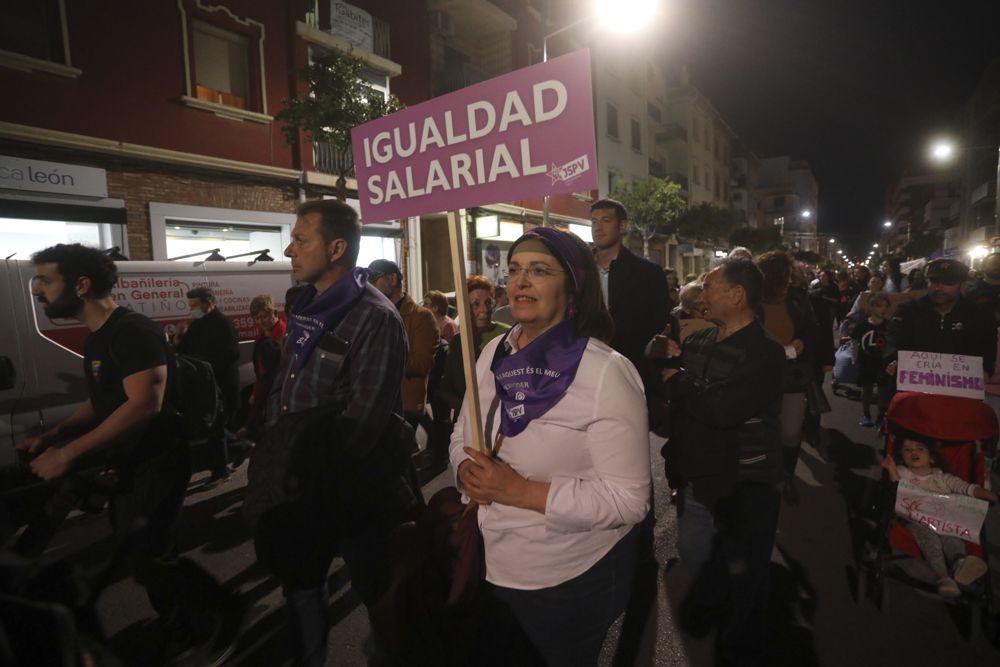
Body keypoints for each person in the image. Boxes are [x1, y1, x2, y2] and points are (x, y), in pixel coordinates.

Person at [17, 243, 241, 664]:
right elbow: (106, 400)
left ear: (81, 285)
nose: (36, 291)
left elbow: (143, 403)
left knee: (148, 555)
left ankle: (215, 615)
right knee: (142, 552)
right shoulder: (100, 336)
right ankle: (185, 616)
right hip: (130, 463)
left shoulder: (132, 331)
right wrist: (55, 436)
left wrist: (68, 456)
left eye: (45, 279)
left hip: (158, 461)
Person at [451, 227, 650, 666]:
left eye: (539, 271)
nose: (519, 281)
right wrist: (464, 472)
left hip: (568, 580)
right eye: (515, 270)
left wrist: (518, 491)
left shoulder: (606, 374)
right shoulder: (489, 355)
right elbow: (461, 434)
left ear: (574, 287)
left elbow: (629, 500)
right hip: (492, 564)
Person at [247, 199, 414, 667]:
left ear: (336, 247)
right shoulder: (303, 306)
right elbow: (287, 384)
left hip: (352, 493)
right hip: (299, 487)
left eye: (302, 240)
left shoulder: (376, 318)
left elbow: (365, 422)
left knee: (381, 603)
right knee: (301, 593)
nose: (289, 249)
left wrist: (314, 483)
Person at [652, 258, 785, 666]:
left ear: (736, 293)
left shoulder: (764, 351)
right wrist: (658, 352)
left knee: (745, 572)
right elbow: (671, 380)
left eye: (709, 286)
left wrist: (681, 382)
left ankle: (743, 648)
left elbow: (724, 410)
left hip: (746, 478)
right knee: (695, 551)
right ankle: (719, 606)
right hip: (696, 475)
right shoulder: (699, 340)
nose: (701, 293)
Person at [881, 437, 997, 597]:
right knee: (929, 539)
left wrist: (990, 495)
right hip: (915, 519)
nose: (913, 452)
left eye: (920, 448)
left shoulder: (942, 477)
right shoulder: (903, 472)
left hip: (943, 521)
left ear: (932, 457)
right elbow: (898, 487)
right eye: (908, 450)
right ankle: (943, 577)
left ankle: (960, 564)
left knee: (952, 539)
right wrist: (891, 469)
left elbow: (967, 488)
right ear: (902, 456)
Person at [591, 198, 670, 426]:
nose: (598, 227)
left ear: (622, 226)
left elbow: (658, 324)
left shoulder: (648, 273)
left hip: (631, 372)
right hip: (585, 370)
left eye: (606, 220)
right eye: (594, 221)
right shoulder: (580, 272)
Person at [756, 252, 818, 506]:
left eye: (785, 273)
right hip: (757, 374)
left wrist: (803, 341)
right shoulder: (749, 298)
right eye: (778, 275)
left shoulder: (798, 297)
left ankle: (787, 477)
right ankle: (763, 479)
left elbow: (813, 328)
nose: (783, 280)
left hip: (792, 373)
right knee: (761, 430)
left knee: (790, 432)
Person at [884, 258, 997, 387]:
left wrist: (985, 370)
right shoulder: (907, 311)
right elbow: (893, 340)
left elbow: (987, 347)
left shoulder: (978, 314)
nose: (939, 288)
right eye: (934, 281)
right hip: (915, 392)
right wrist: (893, 359)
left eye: (948, 282)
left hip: (961, 393)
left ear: (962, 284)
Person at [176, 286, 240, 486]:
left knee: (216, 429)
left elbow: (230, 355)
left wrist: (206, 366)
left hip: (221, 384)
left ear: (209, 303)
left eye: (195, 305)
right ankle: (242, 446)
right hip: (204, 386)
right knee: (211, 427)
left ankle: (220, 471)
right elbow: (184, 351)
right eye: (190, 306)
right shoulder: (196, 325)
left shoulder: (223, 324)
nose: (192, 309)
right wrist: (179, 337)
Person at [368, 258, 439, 430]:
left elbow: (423, 364)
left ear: (392, 279)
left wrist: (381, 361)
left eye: (374, 279)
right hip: (375, 400)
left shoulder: (421, 317)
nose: (369, 285)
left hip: (404, 404)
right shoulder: (373, 313)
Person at [439, 275, 510, 413]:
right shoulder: (459, 341)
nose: (484, 309)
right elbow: (446, 387)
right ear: (465, 307)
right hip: (464, 420)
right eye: (476, 304)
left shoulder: (507, 336)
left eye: (488, 303)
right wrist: (467, 410)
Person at [237, 294, 286, 442]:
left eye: (264, 316)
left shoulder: (284, 336)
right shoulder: (262, 337)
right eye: (257, 318)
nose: (261, 321)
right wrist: (254, 392)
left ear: (275, 313)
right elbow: (260, 372)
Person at [851, 293, 891, 428]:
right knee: (867, 388)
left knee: (882, 390)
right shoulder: (863, 325)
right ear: (872, 307)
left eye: (886, 306)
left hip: (882, 363)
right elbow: (855, 342)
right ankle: (865, 413)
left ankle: (881, 415)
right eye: (879, 306)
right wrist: (854, 357)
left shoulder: (889, 326)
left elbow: (892, 344)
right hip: (866, 361)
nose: (883, 309)